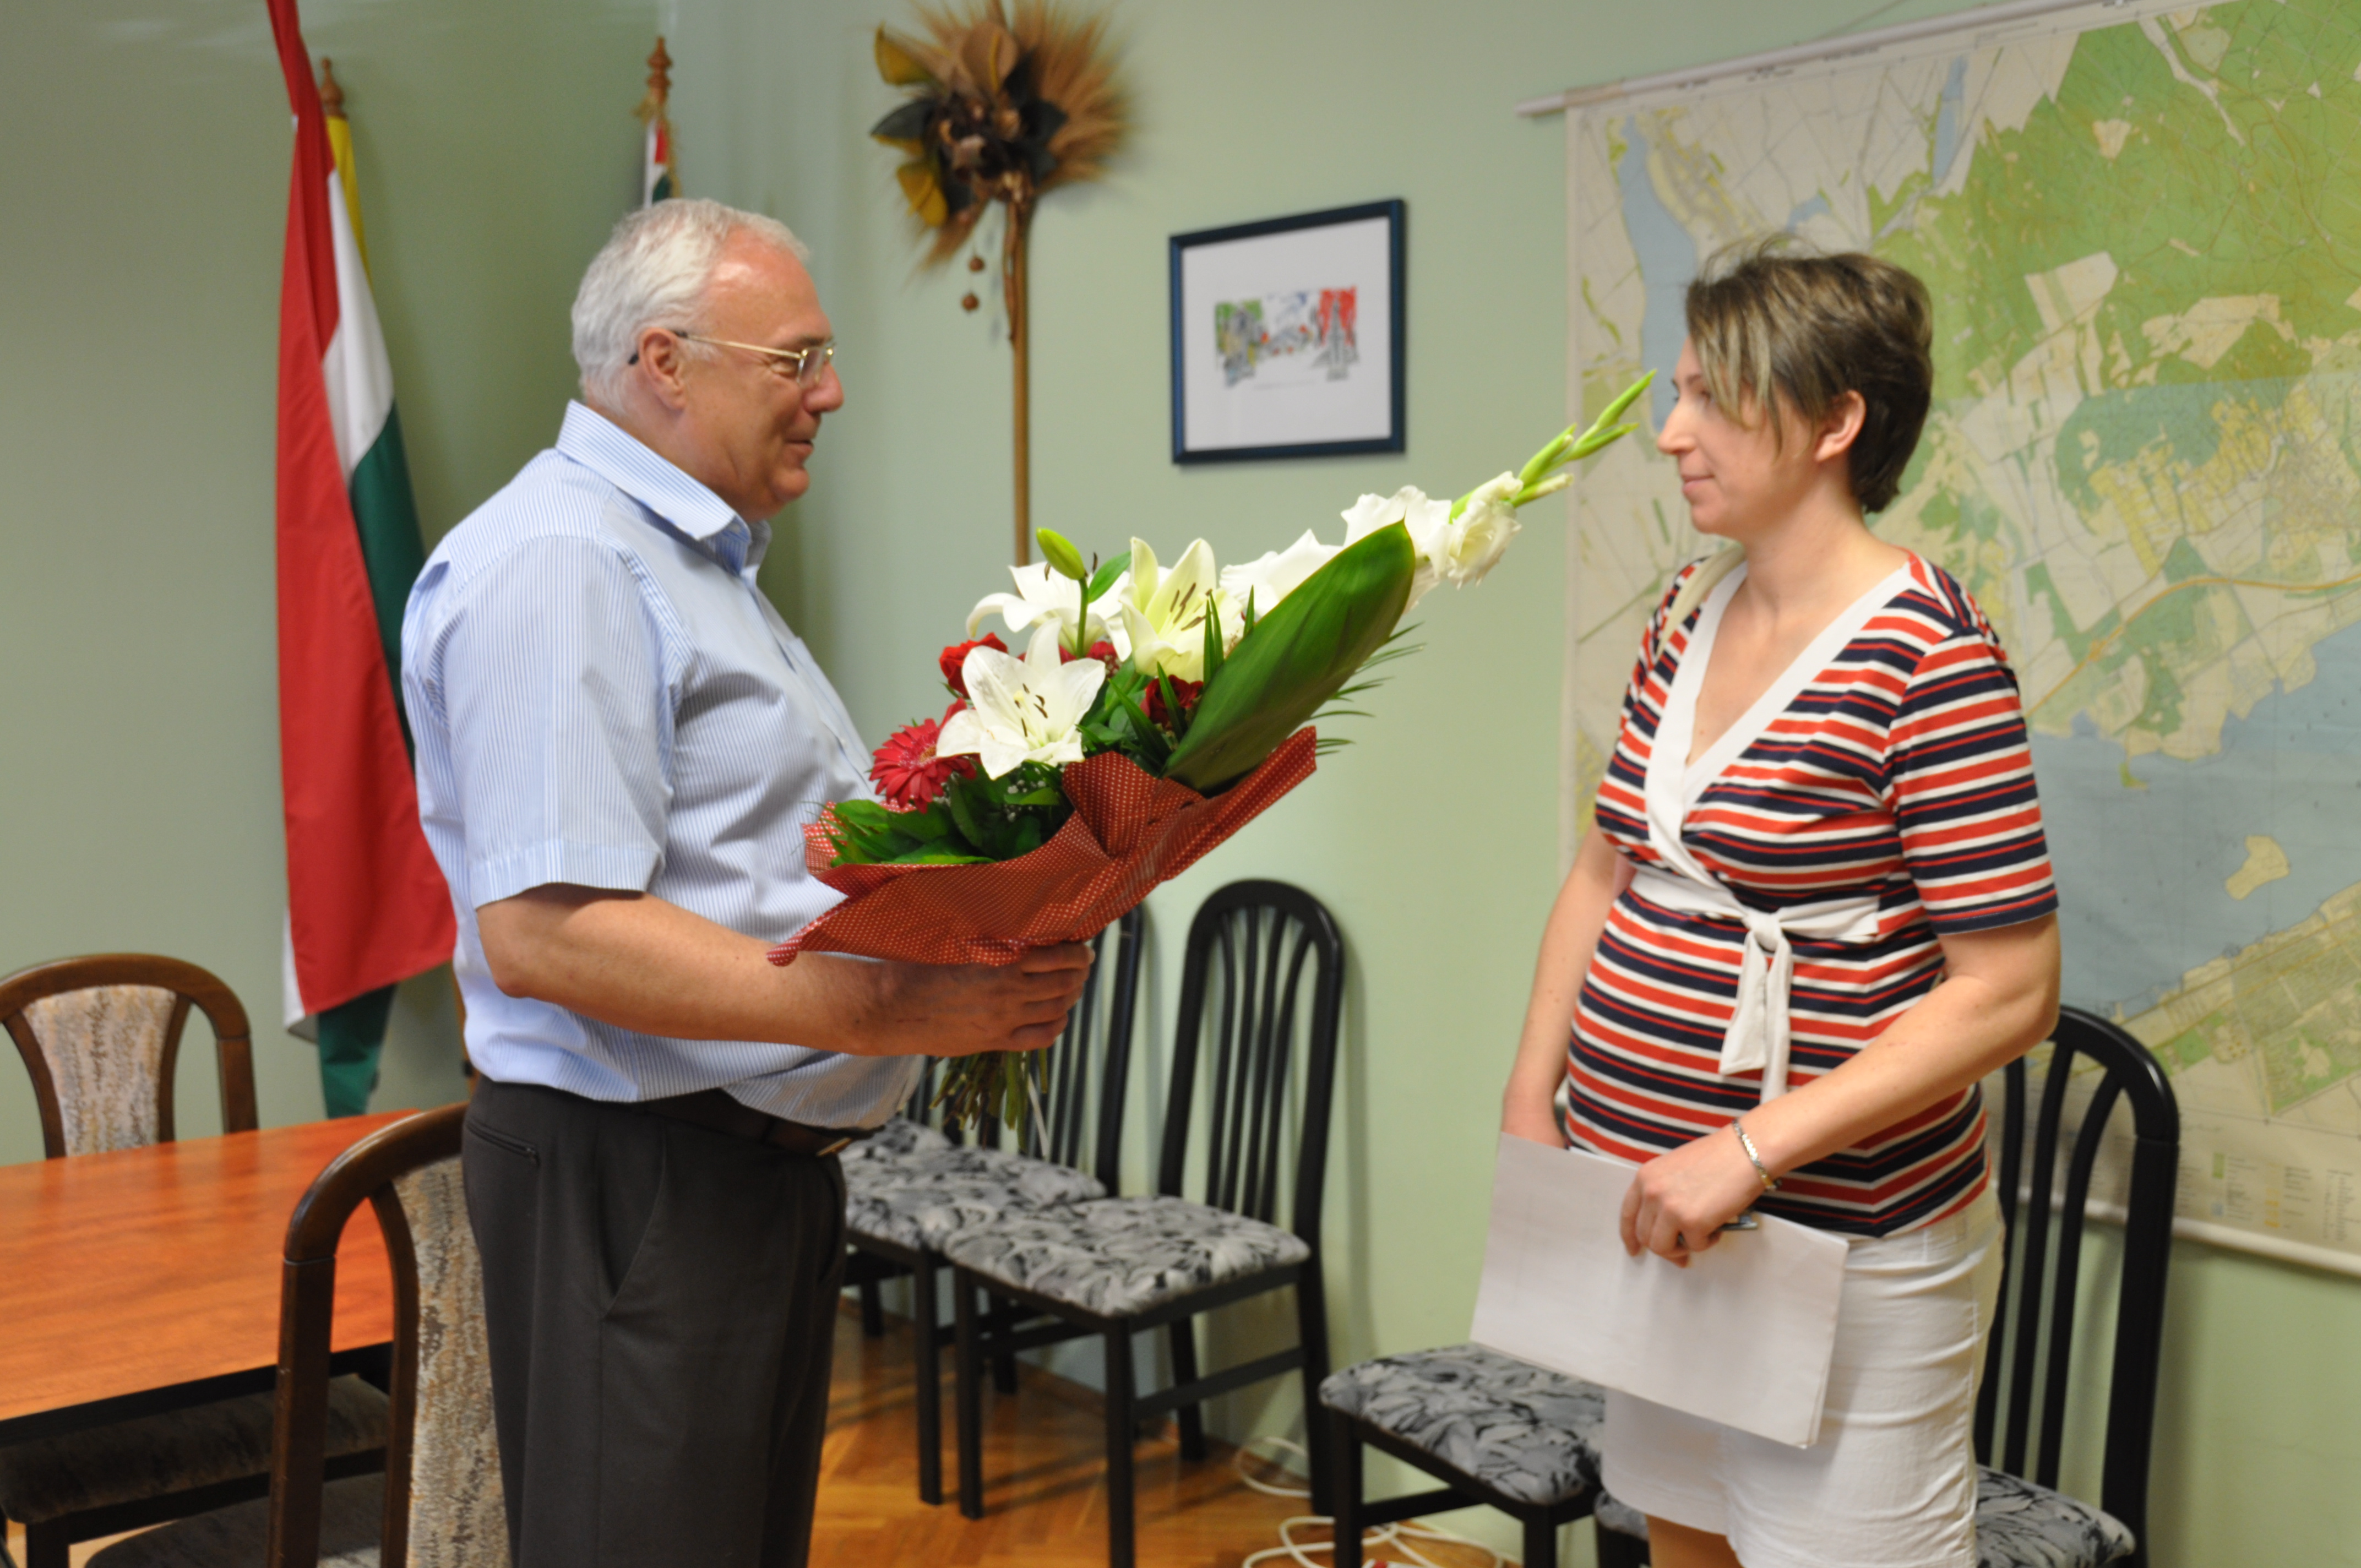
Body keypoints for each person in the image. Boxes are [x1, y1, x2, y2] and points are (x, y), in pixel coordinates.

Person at [400, 198, 1093, 1568]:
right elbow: (552, 934)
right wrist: (889, 1006)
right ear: (665, 362)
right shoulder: (566, 559)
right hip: (640, 1177)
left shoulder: (685, 557)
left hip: (741, 1172)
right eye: (798, 359)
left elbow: (731, 862)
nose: (828, 392)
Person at [1500, 241, 2061, 1568]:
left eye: (1709, 395)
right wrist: (1534, 1096)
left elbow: (2010, 991)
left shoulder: (1928, 655)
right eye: (1676, 391)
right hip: (1658, 1222)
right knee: (1686, 1541)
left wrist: (1745, 1151)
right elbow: (1606, 866)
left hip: (1843, 1250)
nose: (1669, 431)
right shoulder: (1683, 610)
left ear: (1832, 422)